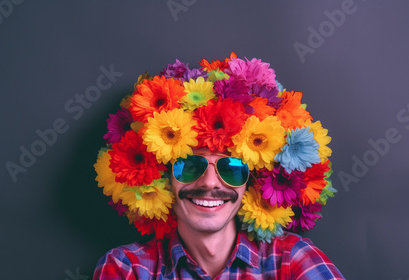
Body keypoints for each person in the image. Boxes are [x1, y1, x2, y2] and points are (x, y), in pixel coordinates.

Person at [92, 53, 345, 279]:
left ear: (253, 182)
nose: (210, 182)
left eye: (231, 168)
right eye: (190, 166)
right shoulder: (128, 268)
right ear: (163, 178)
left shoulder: (292, 260)